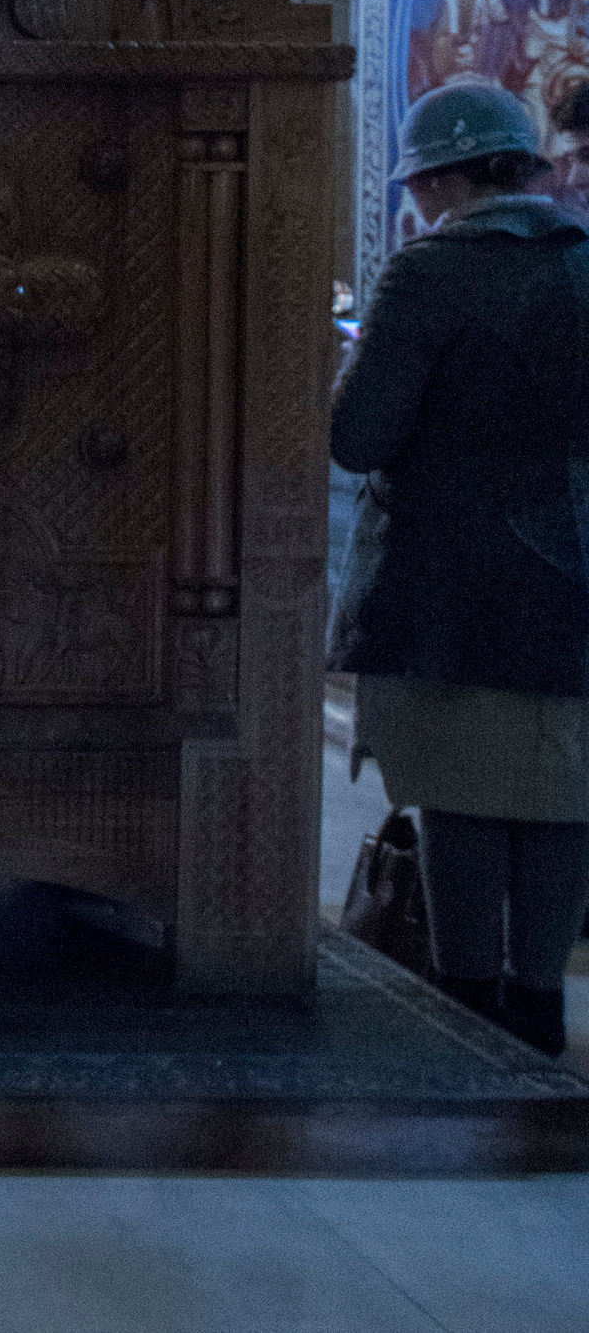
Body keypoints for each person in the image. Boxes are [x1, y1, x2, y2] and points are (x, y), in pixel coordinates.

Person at [331, 78, 589, 1055]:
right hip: (573, 592)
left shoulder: (427, 274)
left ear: (440, 179)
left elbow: (358, 437)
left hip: (449, 589)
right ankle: (539, 1001)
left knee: (461, 797)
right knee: (562, 800)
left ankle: (465, 1002)